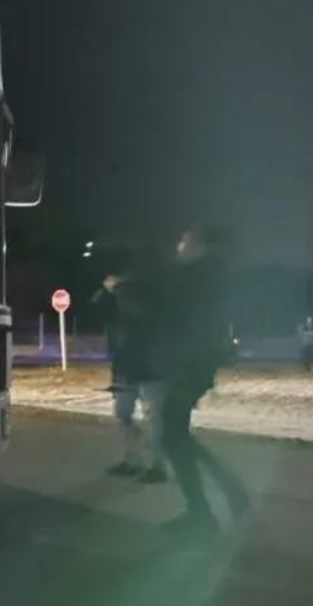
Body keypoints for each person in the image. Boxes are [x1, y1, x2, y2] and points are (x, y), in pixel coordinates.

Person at [154, 229, 248, 537]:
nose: (179, 246)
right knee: (175, 436)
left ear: (199, 247)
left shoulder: (196, 279)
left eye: (184, 242)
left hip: (188, 367)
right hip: (194, 366)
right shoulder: (210, 277)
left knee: (172, 437)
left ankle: (202, 516)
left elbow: (178, 321)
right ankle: (227, 492)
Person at [94, 273, 166, 482]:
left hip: (152, 371)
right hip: (126, 370)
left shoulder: (154, 313)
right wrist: (106, 292)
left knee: (153, 419)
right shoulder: (119, 314)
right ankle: (133, 460)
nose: (122, 297)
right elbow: (96, 308)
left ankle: (156, 465)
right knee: (123, 413)